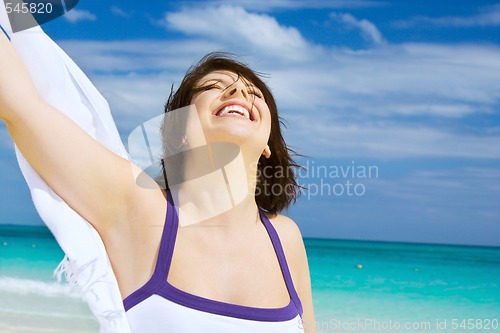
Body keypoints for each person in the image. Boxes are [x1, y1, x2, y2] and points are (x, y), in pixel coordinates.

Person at [0, 27, 316, 332]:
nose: (238, 92)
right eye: (212, 87)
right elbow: (23, 106)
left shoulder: (285, 239)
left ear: (267, 147)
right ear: (179, 132)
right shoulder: (138, 208)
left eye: (255, 93)